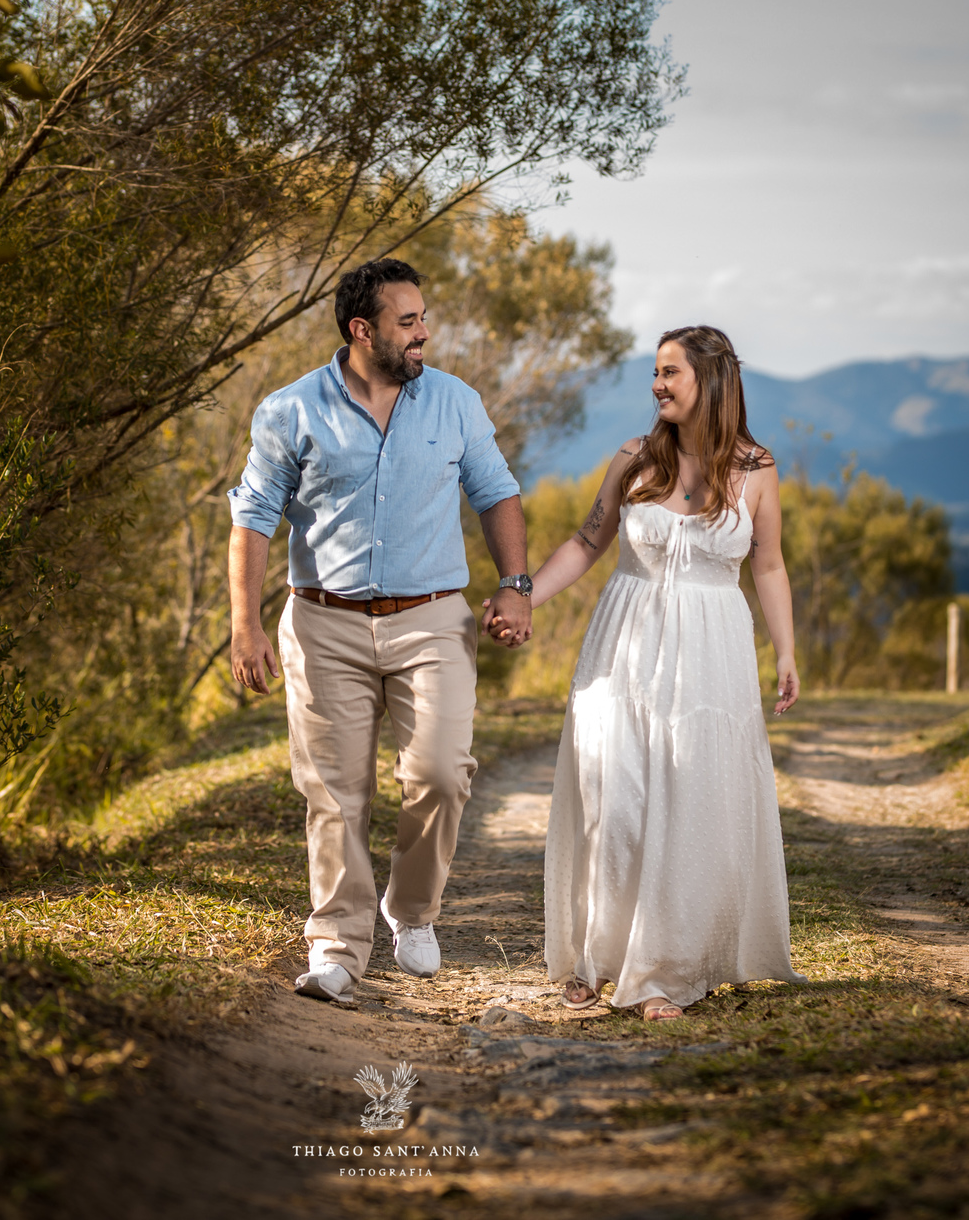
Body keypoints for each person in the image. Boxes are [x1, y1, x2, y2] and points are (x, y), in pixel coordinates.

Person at [227, 257, 534, 1003]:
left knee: (439, 773)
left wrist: (515, 586)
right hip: (323, 623)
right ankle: (337, 945)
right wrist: (246, 623)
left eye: (424, 318)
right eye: (409, 321)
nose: (424, 332)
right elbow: (253, 516)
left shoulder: (455, 402)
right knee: (335, 794)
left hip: (432, 619)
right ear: (363, 330)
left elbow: (496, 494)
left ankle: (412, 909)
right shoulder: (290, 410)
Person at [484, 324, 805, 1021]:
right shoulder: (634, 460)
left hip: (710, 658)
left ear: (711, 381)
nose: (658, 385)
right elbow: (585, 541)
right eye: (655, 373)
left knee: (692, 808)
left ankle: (664, 972)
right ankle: (596, 957)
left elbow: (770, 565)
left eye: (671, 373)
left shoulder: (756, 469)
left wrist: (784, 653)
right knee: (615, 800)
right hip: (623, 647)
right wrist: (523, 596)